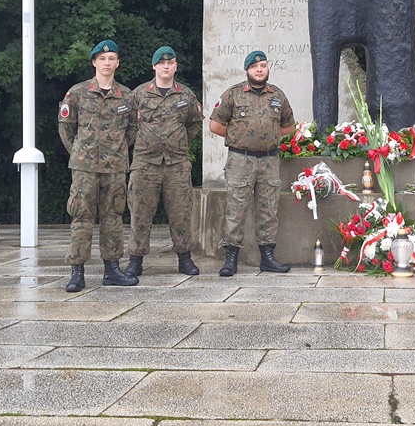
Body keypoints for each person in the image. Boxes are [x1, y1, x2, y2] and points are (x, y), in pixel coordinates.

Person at [58, 39, 139, 292]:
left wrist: (115, 151)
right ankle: (77, 272)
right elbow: (66, 128)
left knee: (113, 217)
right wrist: (80, 153)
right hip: (85, 168)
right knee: (81, 217)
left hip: (115, 167)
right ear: (94, 62)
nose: (107, 63)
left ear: (118, 63)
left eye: (111, 58)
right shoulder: (78, 93)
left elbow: (132, 130)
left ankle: (112, 269)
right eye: (102, 59)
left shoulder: (127, 96)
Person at [209, 49, 295, 276]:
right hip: (241, 160)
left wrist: (268, 137)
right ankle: (230, 259)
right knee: (236, 209)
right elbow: (215, 125)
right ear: (247, 70)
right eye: (255, 67)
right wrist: (239, 136)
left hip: (269, 161)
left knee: (269, 210)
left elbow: (288, 126)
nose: (259, 69)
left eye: (263, 66)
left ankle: (267, 257)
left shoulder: (277, 96)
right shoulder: (234, 94)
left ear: (267, 69)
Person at [125, 46, 204, 278]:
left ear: (176, 66)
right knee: (140, 214)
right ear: (154, 67)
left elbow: (193, 124)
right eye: (162, 63)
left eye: (170, 63)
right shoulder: (138, 94)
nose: (166, 66)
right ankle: (135, 261)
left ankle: (185, 259)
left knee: (180, 214)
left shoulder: (186, 95)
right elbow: (129, 125)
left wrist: (176, 143)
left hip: (176, 165)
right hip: (144, 164)